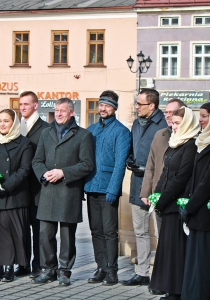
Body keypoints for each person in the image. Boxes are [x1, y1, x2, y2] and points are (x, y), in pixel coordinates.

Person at [32, 98, 94, 286]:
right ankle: (48, 269)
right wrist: (43, 174)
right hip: (48, 189)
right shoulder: (46, 133)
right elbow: (37, 160)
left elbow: (87, 164)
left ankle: (64, 271)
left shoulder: (83, 135)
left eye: (63, 111)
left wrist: (64, 173)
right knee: (45, 233)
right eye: (57, 110)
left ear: (71, 113)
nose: (58, 114)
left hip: (69, 191)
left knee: (67, 235)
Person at [149, 106, 200, 300]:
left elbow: (182, 176)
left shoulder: (191, 144)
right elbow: (165, 173)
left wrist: (163, 199)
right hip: (167, 204)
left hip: (178, 204)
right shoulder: (174, 143)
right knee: (168, 249)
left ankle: (178, 291)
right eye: (173, 123)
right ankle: (168, 288)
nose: (174, 126)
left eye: (178, 123)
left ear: (187, 123)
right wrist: (157, 195)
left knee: (178, 251)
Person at [180, 101, 210, 300]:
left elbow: (207, 182)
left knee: (203, 261)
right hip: (196, 211)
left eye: (205, 116)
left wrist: (190, 207)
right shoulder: (203, 141)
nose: (201, 120)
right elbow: (194, 176)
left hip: (205, 212)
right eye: (200, 116)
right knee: (194, 261)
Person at [139, 98, 186, 295]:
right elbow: (150, 165)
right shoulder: (160, 135)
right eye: (166, 112)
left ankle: (173, 283)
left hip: (176, 199)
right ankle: (163, 282)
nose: (168, 116)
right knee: (162, 240)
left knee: (175, 243)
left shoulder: (188, 137)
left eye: (172, 113)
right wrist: (146, 192)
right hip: (158, 197)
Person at [120, 89, 167, 287]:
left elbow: (164, 159)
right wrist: (131, 160)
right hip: (138, 182)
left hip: (157, 186)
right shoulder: (136, 125)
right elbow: (134, 148)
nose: (136, 107)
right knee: (140, 231)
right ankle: (142, 272)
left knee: (162, 232)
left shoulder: (163, 126)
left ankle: (165, 273)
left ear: (152, 106)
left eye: (140, 104)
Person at [84, 90, 131, 286]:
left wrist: (113, 189)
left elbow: (121, 164)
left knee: (110, 231)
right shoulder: (92, 129)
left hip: (108, 189)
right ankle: (101, 267)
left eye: (107, 105)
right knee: (95, 230)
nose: (103, 108)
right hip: (91, 186)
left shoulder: (121, 131)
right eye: (101, 105)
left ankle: (112, 270)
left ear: (114, 108)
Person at [0, 109, 33, 283]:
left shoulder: (24, 143)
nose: (2, 125)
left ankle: (10, 266)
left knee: (12, 232)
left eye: (6, 121)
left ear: (14, 123)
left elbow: (24, 170)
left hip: (14, 195)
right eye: (0, 121)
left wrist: (6, 186)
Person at [17, 91, 49, 278]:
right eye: (21, 104)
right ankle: (23, 264)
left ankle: (38, 264)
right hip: (19, 187)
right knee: (21, 229)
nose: (22, 108)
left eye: (26, 104)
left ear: (35, 106)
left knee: (38, 230)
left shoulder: (45, 128)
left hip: (37, 188)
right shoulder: (16, 126)